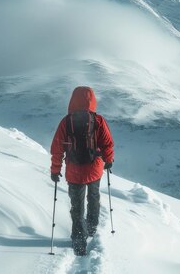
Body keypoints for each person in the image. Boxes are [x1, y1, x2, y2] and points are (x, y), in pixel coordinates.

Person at [50, 86, 114, 256]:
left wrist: (55, 170)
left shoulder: (66, 121)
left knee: (76, 206)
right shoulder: (98, 120)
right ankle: (92, 227)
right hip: (94, 169)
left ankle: (79, 241)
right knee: (93, 197)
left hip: (74, 172)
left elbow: (57, 148)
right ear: (92, 100)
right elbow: (107, 143)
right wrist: (108, 160)